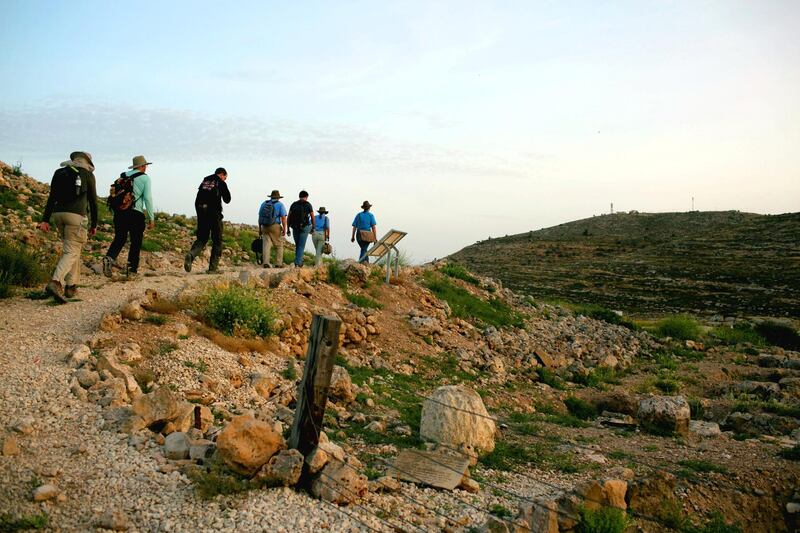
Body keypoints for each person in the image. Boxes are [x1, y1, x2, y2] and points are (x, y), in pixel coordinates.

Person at [37, 151, 98, 303]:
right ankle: (56, 282)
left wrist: (45, 220)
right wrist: (94, 224)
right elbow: (93, 202)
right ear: (88, 162)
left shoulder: (59, 172)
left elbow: (52, 197)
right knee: (71, 250)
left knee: (72, 248)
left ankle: (71, 286)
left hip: (58, 215)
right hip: (76, 216)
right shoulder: (88, 174)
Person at [103, 155, 155, 278]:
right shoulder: (145, 178)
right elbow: (147, 198)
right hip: (135, 213)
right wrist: (151, 218)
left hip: (120, 213)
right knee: (135, 241)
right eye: (145, 166)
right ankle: (131, 270)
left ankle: (109, 257)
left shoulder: (123, 176)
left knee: (120, 238)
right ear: (142, 166)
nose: (146, 168)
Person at [184, 167, 231, 273]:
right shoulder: (220, 182)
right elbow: (227, 199)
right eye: (225, 177)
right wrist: (224, 186)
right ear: (222, 175)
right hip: (214, 214)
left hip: (201, 213)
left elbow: (197, 199)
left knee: (202, 238)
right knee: (217, 240)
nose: (225, 180)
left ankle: (191, 255)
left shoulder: (205, 181)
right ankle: (213, 268)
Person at [258, 190, 288, 268]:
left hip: (264, 226)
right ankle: (278, 263)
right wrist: (285, 228)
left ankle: (266, 263)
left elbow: (260, 216)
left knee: (266, 244)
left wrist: (260, 228)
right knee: (279, 245)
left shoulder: (264, 204)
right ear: (278, 197)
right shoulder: (280, 205)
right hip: (275, 226)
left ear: (271, 197)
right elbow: (283, 218)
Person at [287, 190, 315, 267]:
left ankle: (298, 261)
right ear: (306, 197)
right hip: (305, 227)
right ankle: (298, 263)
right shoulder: (308, 205)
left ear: (299, 196)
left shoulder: (294, 204)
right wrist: (313, 227)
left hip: (294, 227)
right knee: (301, 246)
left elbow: (289, 217)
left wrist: (288, 229)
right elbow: (312, 217)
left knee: (298, 245)